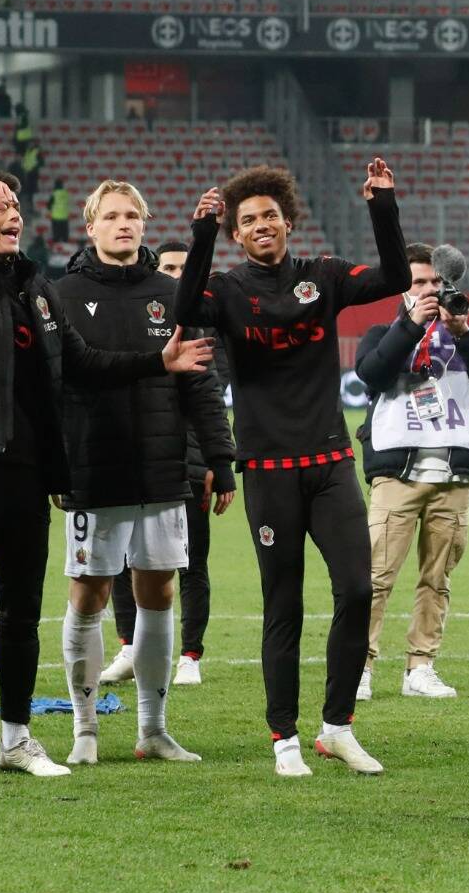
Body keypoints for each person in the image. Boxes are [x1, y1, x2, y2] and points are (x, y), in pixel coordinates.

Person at [0, 173, 211, 786]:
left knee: (19, 616)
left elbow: (81, 361)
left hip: (30, 475)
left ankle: (15, 740)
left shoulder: (35, 286)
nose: (11, 214)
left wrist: (155, 361)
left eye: (14, 207)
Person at [175, 158, 409, 778]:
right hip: (269, 469)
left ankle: (336, 728)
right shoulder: (225, 291)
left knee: (358, 589)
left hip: (331, 462)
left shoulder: (323, 277)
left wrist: (381, 205)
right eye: (248, 219)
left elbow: (392, 276)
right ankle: (284, 737)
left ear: (287, 220)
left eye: (270, 215)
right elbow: (182, 305)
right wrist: (200, 235)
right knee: (285, 605)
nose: (261, 225)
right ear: (237, 232)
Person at [51, 182, 234, 767]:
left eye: (133, 215)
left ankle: (153, 730)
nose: (123, 224)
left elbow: (200, 384)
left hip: (161, 470)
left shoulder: (172, 297)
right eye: (112, 216)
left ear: (145, 224)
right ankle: (84, 730)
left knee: (158, 592)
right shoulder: (64, 295)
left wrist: (220, 461)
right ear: (91, 226)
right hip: (93, 467)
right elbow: (61, 385)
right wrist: (57, 462)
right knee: (90, 594)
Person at [352, 243, 469, 703]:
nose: (428, 291)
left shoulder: (465, 335)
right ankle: (359, 666)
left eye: (434, 283)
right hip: (398, 474)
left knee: (437, 578)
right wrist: (412, 325)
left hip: (455, 474)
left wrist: (464, 331)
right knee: (376, 576)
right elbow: (372, 374)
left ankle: (420, 666)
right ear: (402, 290)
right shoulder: (384, 332)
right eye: (418, 283)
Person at [103, 239, 226, 687]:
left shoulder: (206, 330)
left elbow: (211, 402)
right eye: (169, 267)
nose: (176, 276)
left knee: (191, 563)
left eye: (183, 269)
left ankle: (190, 654)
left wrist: (213, 459)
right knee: (121, 559)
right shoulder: (141, 317)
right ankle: (129, 648)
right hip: (133, 457)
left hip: (188, 464)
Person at [47, 178, 70, 244]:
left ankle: (56, 242)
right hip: (65, 216)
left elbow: (48, 206)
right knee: (64, 232)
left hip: (56, 216)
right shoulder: (66, 193)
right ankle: (65, 242)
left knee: (56, 233)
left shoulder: (54, 194)